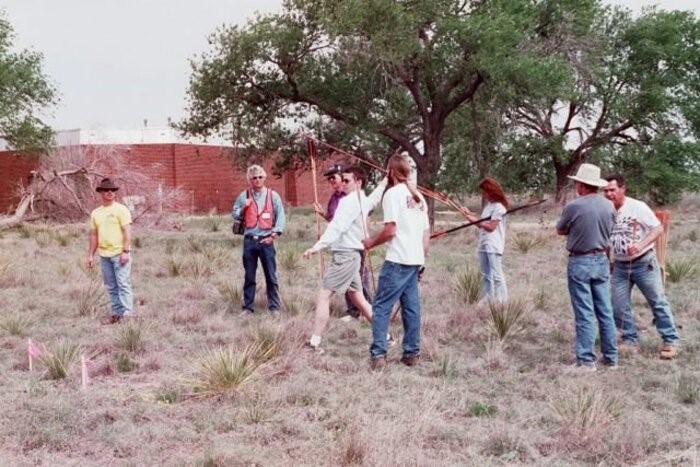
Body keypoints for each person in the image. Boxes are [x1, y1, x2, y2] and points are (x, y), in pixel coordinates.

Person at [362, 155, 430, 370]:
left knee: (381, 305)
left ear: (390, 172)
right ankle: (411, 353)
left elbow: (390, 230)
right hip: (414, 260)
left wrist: (370, 242)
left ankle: (379, 354)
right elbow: (426, 233)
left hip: (398, 260)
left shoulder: (392, 195)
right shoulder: (419, 197)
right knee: (411, 308)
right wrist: (421, 260)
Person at [603, 174, 680, 359]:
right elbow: (606, 238)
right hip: (620, 266)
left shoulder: (637, 207)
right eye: (605, 190)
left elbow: (658, 228)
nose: (608, 194)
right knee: (618, 305)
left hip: (643, 263)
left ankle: (670, 340)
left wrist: (640, 244)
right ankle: (630, 338)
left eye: (612, 190)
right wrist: (609, 259)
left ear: (623, 189)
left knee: (657, 302)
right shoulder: (606, 210)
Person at [303, 166, 375, 352]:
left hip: (346, 255)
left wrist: (316, 247)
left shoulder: (352, 201)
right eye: (340, 180)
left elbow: (337, 227)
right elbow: (335, 223)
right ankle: (385, 335)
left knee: (324, 295)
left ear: (358, 183)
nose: (341, 183)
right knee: (358, 299)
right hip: (348, 253)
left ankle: (315, 342)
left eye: (346, 180)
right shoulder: (349, 199)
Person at [555, 163, 618, 372]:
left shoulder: (574, 206)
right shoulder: (609, 205)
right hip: (601, 258)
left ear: (582, 185)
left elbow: (561, 230)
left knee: (584, 312)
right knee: (605, 310)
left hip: (580, 260)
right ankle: (610, 357)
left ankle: (586, 360)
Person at [314, 164, 372, 320]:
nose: (332, 180)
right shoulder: (335, 198)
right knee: (353, 287)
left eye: (335, 177)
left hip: (353, 245)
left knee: (360, 279)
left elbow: (364, 218)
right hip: (340, 244)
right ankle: (355, 312)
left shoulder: (354, 198)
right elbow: (333, 221)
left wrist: (366, 239)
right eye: (329, 178)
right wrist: (322, 215)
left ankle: (364, 312)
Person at [232, 165, 286, 316]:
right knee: (249, 276)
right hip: (250, 241)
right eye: (254, 178)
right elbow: (235, 214)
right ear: (250, 179)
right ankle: (248, 307)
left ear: (265, 177)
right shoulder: (244, 195)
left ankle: (274, 307)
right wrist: (243, 208)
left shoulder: (273, 195)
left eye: (260, 177)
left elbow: (281, 216)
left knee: (271, 275)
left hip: (266, 241)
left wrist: (273, 236)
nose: (257, 180)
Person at [87, 178, 133, 324]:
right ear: (101, 192)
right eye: (106, 190)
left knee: (123, 284)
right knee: (111, 286)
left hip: (119, 254)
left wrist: (125, 251)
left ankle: (127, 314)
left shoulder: (121, 210)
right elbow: (94, 235)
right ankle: (116, 313)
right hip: (104, 256)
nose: (109, 193)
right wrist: (90, 255)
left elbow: (127, 231)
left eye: (112, 190)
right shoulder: (96, 213)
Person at [462, 178, 509, 303]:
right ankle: (487, 298)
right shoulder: (488, 206)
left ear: (491, 191)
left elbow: (491, 227)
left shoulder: (499, 208)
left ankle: (502, 301)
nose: (483, 195)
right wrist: (471, 218)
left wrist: (475, 220)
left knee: (496, 274)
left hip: (494, 245)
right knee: (485, 275)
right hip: (483, 244)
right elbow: (481, 225)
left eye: (484, 192)